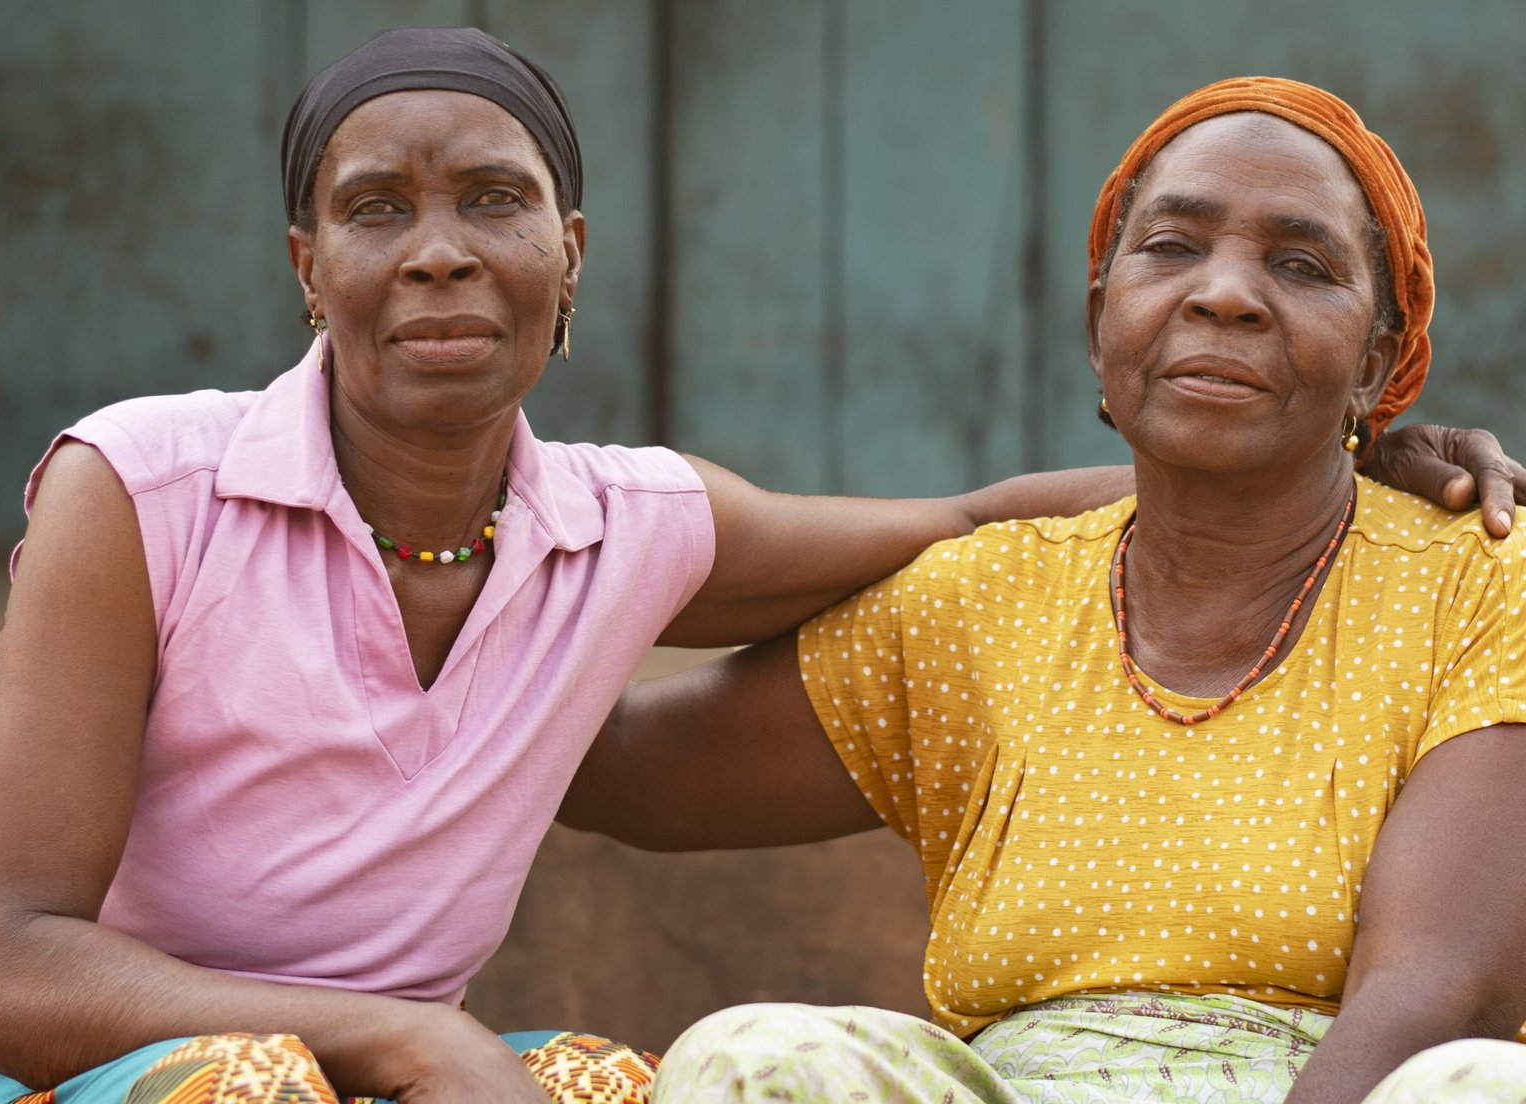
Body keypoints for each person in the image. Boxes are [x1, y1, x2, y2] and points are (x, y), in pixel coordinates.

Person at [0, 35, 1513, 1104]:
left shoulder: (626, 526)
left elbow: (963, 515)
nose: (439, 251)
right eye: (1173, 252)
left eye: (1300, 269)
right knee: (728, 1063)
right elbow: (4, 969)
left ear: (569, 256)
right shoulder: (145, 486)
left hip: (1354, 1085)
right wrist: (404, 1024)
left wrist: (1342, 466)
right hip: (126, 1054)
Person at [562, 78, 1526, 1103]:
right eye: (1171, 247)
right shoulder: (989, 595)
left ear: (1376, 364)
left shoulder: (1479, 580)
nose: (1225, 294)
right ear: (1099, 321)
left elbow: (1440, 989)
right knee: (755, 1054)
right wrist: (456, 513)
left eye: (1300, 265)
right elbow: (611, 765)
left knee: (1475, 1084)